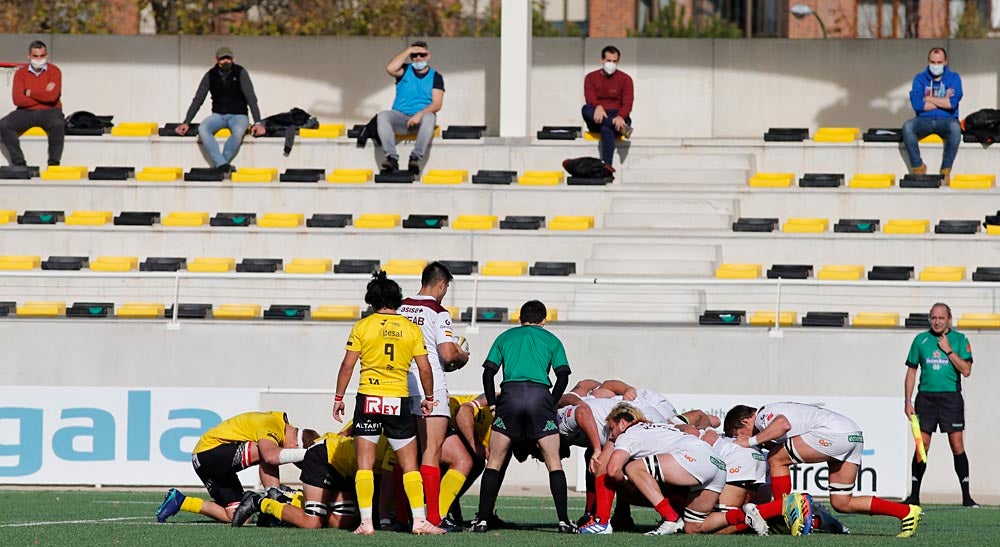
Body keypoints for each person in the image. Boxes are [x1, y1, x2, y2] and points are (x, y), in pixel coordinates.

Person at [331, 271, 445, 535]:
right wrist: (429, 398)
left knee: (364, 465)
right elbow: (425, 369)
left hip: (369, 397)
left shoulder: (363, 326)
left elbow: (347, 365)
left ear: (372, 300)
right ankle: (419, 521)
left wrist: (338, 398)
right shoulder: (410, 328)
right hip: (398, 400)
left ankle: (366, 523)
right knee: (409, 465)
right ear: (398, 299)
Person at [729, 402, 921, 538]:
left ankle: (785, 514)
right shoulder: (773, 415)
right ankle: (906, 512)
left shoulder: (763, 414)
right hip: (853, 436)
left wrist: (751, 441)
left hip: (833, 434)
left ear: (746, 421)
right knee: (842, 502)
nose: (741, 439)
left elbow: (783, 425)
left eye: (738, 435)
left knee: (776, 459)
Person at [472, 299, 577, 534]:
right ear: (544, 320)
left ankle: (482, 521)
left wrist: (491, 403)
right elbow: (563, 376)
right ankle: (563, 522)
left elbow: (488, 373)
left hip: (510, 396)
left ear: (520, 319)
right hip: (540, 397)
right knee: (553, 462)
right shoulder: (552, 339)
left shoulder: (505, 337)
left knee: (495, 461)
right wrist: (551, 403)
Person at [397, 261, 469, 528]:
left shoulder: (401, 307)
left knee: (403, 452)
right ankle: (432, 518)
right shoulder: (438, 312)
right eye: (446, 287)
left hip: (401, 384)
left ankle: (402, 515)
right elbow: (448, 354)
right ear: (441, 284)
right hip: (431, 386)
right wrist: (463, 356)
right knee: (431, 451)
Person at [154, 411, 316, 524]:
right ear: (296, 445)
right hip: (209, 453)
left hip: (205, 460)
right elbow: (269, 456)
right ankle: (273, 494)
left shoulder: (277, 425)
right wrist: (306, 455)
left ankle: (181, 501)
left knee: (239, 516)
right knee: (269, 452)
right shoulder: (273, 425)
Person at [231, 429, 397, 530]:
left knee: (343, 521)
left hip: (346, 470)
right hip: (324, 459)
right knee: (313, 522)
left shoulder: (397, 431)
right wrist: (385, 522)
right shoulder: (393, 435)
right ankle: (259, 502)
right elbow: (387, 487)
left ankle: (291, 499)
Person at [603, 403, 725, 536]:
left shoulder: (627, 435)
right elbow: (693, 432)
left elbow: (613, 470)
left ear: (622, 423)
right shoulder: (662, 426)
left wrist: (625, 483)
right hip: (717, 462)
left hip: (694, 459)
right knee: (693, 527)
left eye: (611, 428)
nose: (610, 436)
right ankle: (743, 515)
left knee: (633, 469)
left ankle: (670, 518)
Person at [903, 302, 977, 507]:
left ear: (949, 320)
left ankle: (966, 497)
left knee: (957, 445)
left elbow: (967, 370)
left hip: (950, 398)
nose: (936, 321)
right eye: (933, 318)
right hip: (925, 398)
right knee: (922, 446)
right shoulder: (921, 340)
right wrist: (907, 401)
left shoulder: (960, 340)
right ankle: (914, 496)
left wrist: (949, 351)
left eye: (941, 318)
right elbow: (911, 372)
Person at [176, 46, 266, 174]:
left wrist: (258, 122)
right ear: (216, 59)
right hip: (218, 115)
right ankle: (223, 164)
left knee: (238, 131)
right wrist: (186, 122)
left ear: (233, 59)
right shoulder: (209, 75)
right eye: (222, 58)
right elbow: (198, 99)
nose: (225, 61)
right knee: (203, 128)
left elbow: (251, 97)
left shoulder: (240, 72)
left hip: (239, 115)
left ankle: (221, 163)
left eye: (228, 58)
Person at [377, 41, 444, 175]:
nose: (418, 58)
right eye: (414, 55)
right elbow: (390, 68)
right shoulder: (404, 70)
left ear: (428, 56)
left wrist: (419, 115)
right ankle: (391, 158)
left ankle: (415, 157)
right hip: (401, 118)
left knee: (430, 117)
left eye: (421, 54)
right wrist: (408, 50)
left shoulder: (436, 76)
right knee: (383, 115)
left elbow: (437, 104)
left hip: (421, 121)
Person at [902, 47, 962, 184]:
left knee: (955, 128)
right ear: (928, 61)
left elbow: (952, 104)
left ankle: (945, 170)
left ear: (945, 62)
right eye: (933, 62)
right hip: (923, 120)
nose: (936, 65)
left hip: (947, 120)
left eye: (939, 62)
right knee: (907, 127)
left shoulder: (954, 78)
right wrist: (943, 100)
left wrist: (928, 98)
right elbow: (917, 105)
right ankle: (918, 167)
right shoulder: (919, 79)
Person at [0, 40, 64, 167]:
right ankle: (19, 162)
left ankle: (53, 162)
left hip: (50, 111)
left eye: (42, 56)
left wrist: (29, 92)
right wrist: (43, 94)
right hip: (25, 112)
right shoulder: (20, 73)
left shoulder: (55, 71)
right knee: (4, 124)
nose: (39, 59)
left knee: (58, 124)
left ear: (46, 56)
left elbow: (52, 97)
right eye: (35, 56)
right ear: (29, 56)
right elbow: (17, 99)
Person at [582, 45, 633, 178]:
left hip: (618, 117)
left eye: (614, 61)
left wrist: (621, 116)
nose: (611, 64)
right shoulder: (590, 78)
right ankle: (622, 128)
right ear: (602, 60)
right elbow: (589, 97)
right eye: (608, 61)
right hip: (598, 116)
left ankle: (607, 169)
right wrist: (597, 106)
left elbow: (628, 102)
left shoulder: (626, 79)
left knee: (606, 129)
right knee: (586, 109)